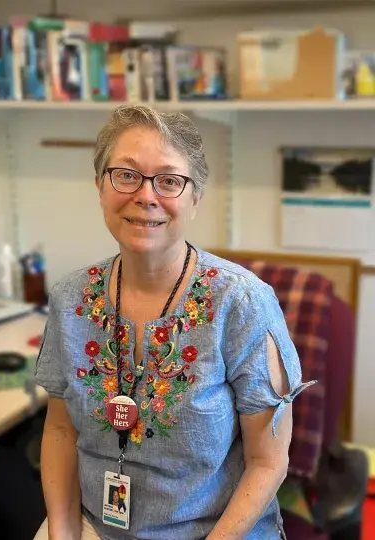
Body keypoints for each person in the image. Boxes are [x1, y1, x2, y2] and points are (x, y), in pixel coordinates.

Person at [33, 104, 313, 540]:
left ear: (195, 198)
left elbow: (268, 461)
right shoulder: (70, 299)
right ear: (100, 187)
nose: (145, 196)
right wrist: (63, 532)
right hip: (94, 526)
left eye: (169, 181)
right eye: (126, 175)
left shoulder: (241, 302)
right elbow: (60, 428)